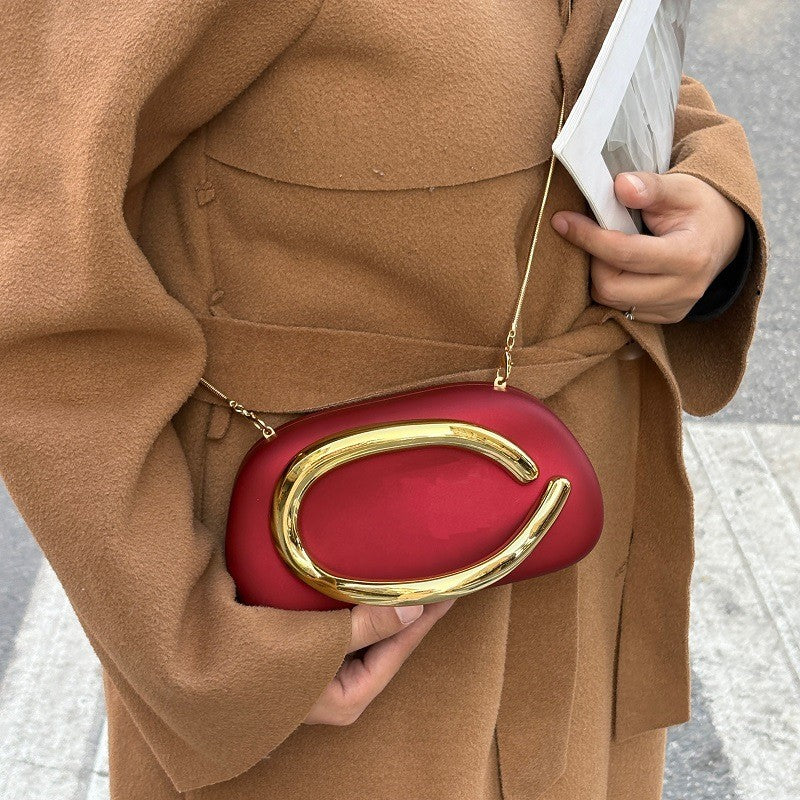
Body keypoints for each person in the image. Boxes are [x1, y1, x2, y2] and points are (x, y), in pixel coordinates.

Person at [0, 1, 768, 799]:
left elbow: (608, 48)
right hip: (329, 635)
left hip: (579, 576)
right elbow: (34, 254)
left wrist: (707, 200)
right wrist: (198, 650)